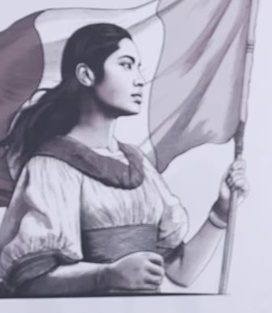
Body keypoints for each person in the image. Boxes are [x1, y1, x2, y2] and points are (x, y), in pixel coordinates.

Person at [0, 23, 248, 296]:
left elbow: (181, 272)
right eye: (126, 65)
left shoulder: (138, 164)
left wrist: (221, 212)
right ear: (86, 75)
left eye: (138, 67)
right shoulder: (51, 166)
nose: (139, 79)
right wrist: (106, 275)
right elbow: (31, 282)